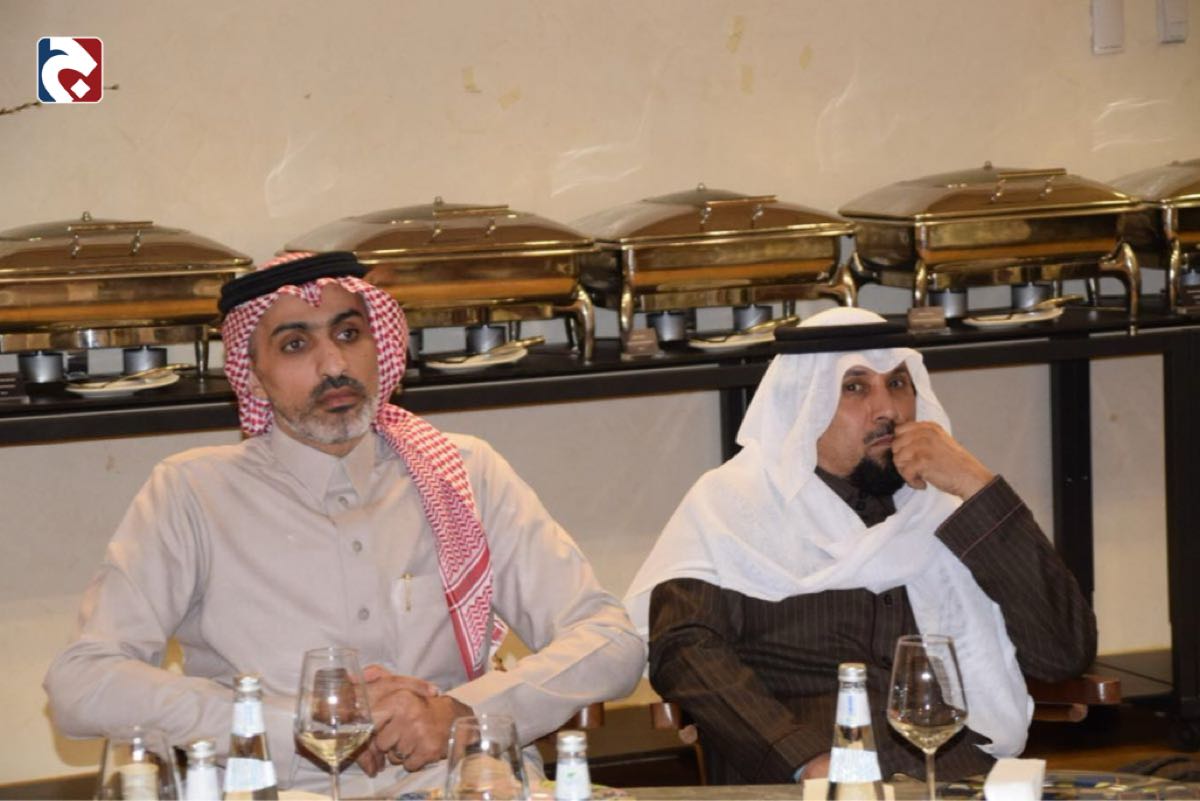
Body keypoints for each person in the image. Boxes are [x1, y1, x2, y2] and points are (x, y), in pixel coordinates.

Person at [45, 251, 645, 796]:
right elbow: (82, 683)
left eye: (349, 334)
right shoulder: (192, 492)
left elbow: (610, 639)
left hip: (460, 783)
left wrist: (462, 713)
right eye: (294, 345)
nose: (333, 364)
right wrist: (292, 726)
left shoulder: (462, 471)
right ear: (252, 375)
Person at [625, 306, 1097, 785]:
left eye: (898, 383)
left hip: (952, 775)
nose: (887, 410)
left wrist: (976, 487)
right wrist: (803, 759)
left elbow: (1062, 653)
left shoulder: (950, 509)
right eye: (855, 388)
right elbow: (685, 652)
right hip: (804, 781)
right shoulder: (735, 506)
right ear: (804, 404)